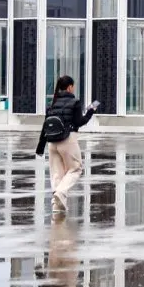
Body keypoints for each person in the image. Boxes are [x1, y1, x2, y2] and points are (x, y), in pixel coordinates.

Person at [35, 75, 97, 212]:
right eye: (73, 86)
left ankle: (56, 205)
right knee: (75, 169)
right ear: (69, 87)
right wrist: (90, 111)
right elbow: (79, 122)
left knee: (57, 174)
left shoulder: (53, 103)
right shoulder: (75, 102)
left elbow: (45, 125)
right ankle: (60, 193)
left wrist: (40, 147)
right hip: (67, 140)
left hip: (52, 143)